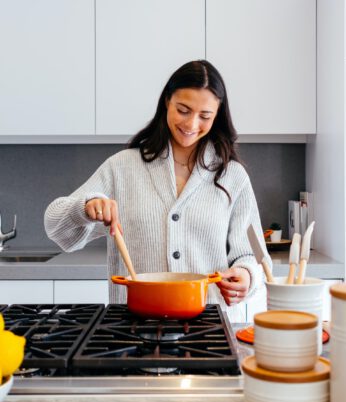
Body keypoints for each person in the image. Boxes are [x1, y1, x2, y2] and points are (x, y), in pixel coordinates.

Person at [44, 60, 271, 322]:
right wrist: (85, 208)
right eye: (183, 110)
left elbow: (251, 255)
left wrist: (246, 276)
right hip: (132, 329)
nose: (192, 124)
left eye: (205, 116)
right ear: (167, 102)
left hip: (207, 331)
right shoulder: (123, 167)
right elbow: (56, 227)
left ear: (217, 115)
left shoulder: (232, 176)